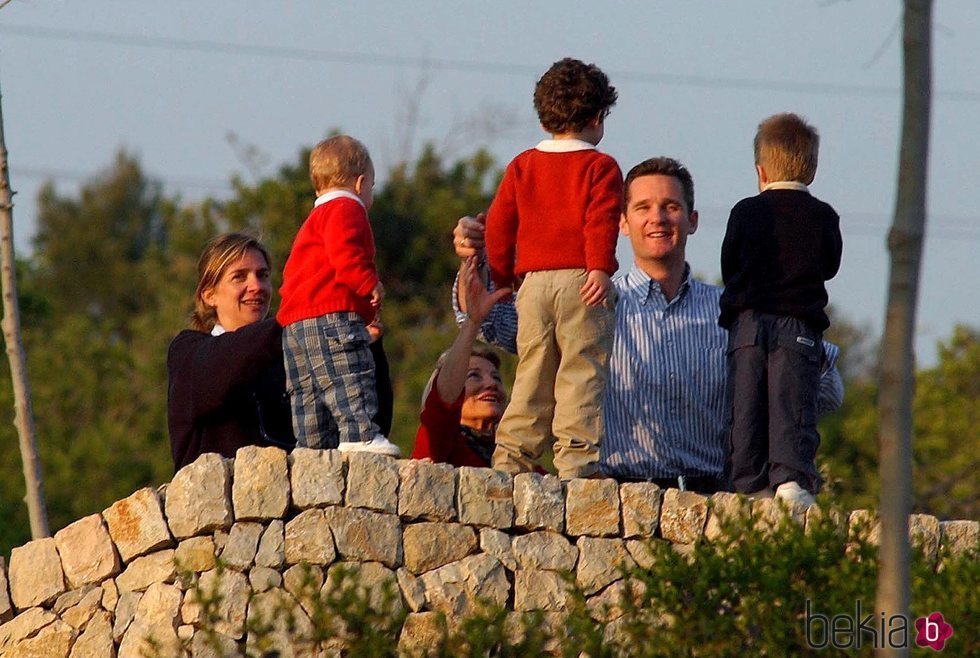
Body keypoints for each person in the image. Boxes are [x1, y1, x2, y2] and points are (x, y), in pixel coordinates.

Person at [452, 156, 844, 495]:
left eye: (670, 206)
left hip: (711, 506)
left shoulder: (733, 312)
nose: (657, 218)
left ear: (692, 221)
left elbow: (822, 390)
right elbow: (496, 325)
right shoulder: (589, 304)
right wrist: (478, 260)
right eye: (643, 208)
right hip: (614, 506)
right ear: (621, 223)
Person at [484, 57, 622, 481]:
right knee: (581, 369)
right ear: (597, 118)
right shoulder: (601, 167)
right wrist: (599, 267)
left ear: (544, 118)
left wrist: (502, 278)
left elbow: (498, 225)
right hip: (582, 281)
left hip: (533, 285)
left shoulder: (523, 165)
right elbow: (600, 221)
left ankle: (512, 458)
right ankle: (576, 462)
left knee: (533, 371)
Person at [719, 113, 843, 507]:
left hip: (747, 324)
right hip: (798, 325)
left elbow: (730, 263)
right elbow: (830, 264)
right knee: (792, 402)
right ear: (813, 168)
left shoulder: (744, 212)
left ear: (760, 170)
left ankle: (746, 481)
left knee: (747, 403)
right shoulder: (823, 216)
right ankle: (791, 480)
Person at [277, 135, 399, 456]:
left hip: (294, 321)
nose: (370, 192)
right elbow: (345, 254)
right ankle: (359, 434)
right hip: (330, 313)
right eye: (372, 185)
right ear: (360, 183)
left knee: (308, 390)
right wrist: (368, 283)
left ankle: (311, 449)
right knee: (348, 371)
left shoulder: (313, 219)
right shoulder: (347, 208)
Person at [167, 233, 295, 471]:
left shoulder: (292, 358)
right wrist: (298, 316)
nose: (256, 286)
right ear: (209, 295)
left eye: (263, 275)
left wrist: (367, 340)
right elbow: (226, 366)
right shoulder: (188, 352)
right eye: (239, 277)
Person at [411, 257, 513, 467]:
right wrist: (473, 322)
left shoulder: (516, 461)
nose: (491, 384)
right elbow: (444, 400)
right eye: (474, 375)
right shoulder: (441, 442)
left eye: (496, 378)